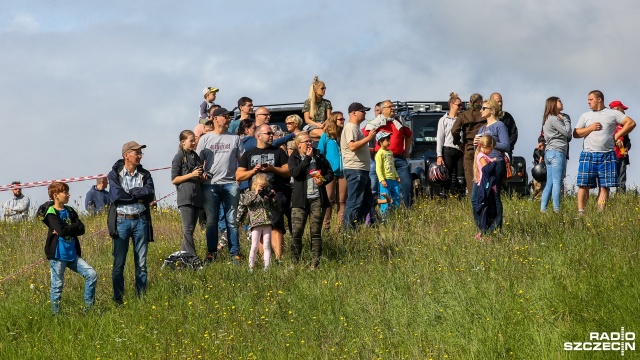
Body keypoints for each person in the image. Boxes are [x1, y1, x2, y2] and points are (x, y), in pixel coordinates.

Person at [107, 141, 155, 304]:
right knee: (119, 263)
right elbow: (117, 196)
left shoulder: (145, 174)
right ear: (126, 155)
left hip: (141, 220)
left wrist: (133, 193)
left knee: (141, 263)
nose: (140, 156)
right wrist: (138, 195)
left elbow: (150, 194)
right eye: (137, 153)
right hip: (122, 221)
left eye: (141, 153)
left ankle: (141, 298)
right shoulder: (114, 174)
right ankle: (118, 299)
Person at [573, 90, 636, 212]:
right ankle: (581, 212)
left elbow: (631, 123)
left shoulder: (612, 114)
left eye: (591, 99)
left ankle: (600, 212)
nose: (588, 102)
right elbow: (576, 133)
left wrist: (617, 135)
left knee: (605, 186)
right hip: (588, 153)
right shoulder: (585, 115)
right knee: (583, 184)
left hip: (607, 154)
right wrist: (590, 128)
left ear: (599, 99)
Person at [196, 107, 245, 264]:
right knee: (211, 221)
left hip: (230, 184)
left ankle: (235, 253)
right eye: (225, 116)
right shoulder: (205, 139)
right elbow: (198, 161)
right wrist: (201, 174)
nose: (228, 118)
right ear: (215, 119)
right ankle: (211, 253)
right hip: (210, 185)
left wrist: (238, 180)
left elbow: (242, 161)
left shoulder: (235, 138)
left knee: (232, 220)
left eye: (229, 116)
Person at [236, 124, 290, 263]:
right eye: (268, 133)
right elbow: (239, 176)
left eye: (272, 133)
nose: (272, 135)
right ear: (259, 136)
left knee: (277, 225)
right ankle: (264, 260)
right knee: (258, 226)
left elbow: (288, 171)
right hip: (256, 198)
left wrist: (273, 169)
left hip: (276, 194)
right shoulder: (248, 154)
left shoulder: (279, 151)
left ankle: (278, 259)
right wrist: (253, 171)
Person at [43, 182, 97, 314]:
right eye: (65, 192)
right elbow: (60, 231)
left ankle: (88, 310)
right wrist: (69, 229)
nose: (68, 195)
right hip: (57, 255)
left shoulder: (71, 211)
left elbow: (81, 228)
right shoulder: (51, 212)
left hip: (72, 254)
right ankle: (56, 316)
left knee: (92, 274)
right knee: (57, 287)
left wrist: (65, 229)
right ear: (56, 195)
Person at [288, 132, 334, 269]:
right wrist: (307, 158)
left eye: (310, 141)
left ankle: (315, 264)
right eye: (306, 142)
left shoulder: (319, 155)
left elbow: (330, 173)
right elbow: (295, 174)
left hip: (317, 199)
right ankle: (294, 263)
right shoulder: (294, 157)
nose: (309, 144)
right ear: (298, 144)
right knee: (296, 232)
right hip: (299, 201)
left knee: (315, 232)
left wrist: (323, 180)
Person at [363, 100, 413, 208]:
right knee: (380, 186)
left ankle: (406, 208)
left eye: (393, 106)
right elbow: (363, 135)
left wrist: (407, 149)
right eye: (390, 106)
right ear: (382, 110)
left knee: (407, 184)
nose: (393, 108)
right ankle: (379, 211)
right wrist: (368, 149)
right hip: (382, 158)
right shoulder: (375, 122)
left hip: (399, 158)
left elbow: (409, 134)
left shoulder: (399, 121)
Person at [474, 99, 510, 231]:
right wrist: (476, 144)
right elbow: (478, 149)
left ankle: (494, 229)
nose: (481, 110)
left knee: (494, 197)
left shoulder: (499, 125)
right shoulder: (482, 128)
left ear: (492, 111)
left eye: (484, 108)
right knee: (476, 198)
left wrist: (490, 142)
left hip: (495, 163)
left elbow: (506, 145)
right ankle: (482, 228)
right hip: (482, 166)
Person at [341, 102, 377, 229]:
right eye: (362, 111)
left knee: (367, 202)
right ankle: (348, 231)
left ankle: (354, 226)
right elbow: (352, 146)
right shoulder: (351, 127)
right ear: (354, 113)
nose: (365, 113)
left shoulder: (355, 128)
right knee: (354, 202)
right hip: (355, 170)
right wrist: (368, 138)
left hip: (362, 170)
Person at [171, 130, 205, 257]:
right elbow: (174, 179)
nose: (194, 143)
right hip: (185, 197)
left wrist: (201, 176)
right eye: (191, 140)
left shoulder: (195, 156)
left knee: (190, 231)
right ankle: (193, 258)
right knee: (187, 230)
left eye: (194, 140)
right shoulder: (179, 157)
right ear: (183, 142)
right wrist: (191, 174)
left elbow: (197, 175)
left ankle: (182, 259)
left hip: (197, 196)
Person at [237, 173, 278, 272]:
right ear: (255, 185)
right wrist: (256, 193)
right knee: (254, 245)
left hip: (267, 222)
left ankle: (267, 267)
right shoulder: (250, 194)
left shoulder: (266, 196)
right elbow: (247, 202)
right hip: (256, 223)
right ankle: (251, 267)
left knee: (267, 245)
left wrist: (273, 197)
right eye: (261, 186)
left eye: (264, 186)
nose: (262, 188)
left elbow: (274, 207)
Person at [540, 97, 572, 213]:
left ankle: (543, 209)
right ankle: (556, 209)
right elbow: (567, 133)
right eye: (559, 101)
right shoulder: (554, 119)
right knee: (557, 182)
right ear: (553, 104)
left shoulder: (547, 119)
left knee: (550, 182)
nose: (562, 103)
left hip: (549, 152)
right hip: (557, 151)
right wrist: (566, 120)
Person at [317, 111, 347, 229]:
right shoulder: (326, 136)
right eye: (340, 119)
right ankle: (326, 226)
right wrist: (319, 173)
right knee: (329, 200)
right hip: (329, 172)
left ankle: (340, 228)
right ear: (334, 120)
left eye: (343, 119)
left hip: (343, 172)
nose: (343, 121)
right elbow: (319, 154)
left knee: (342, 200)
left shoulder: (344, 135)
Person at [451, 93, 486, 195]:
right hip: (484, 149)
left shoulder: (464, 115)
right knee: (484, 176)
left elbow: (454, 131)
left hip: (469, 148)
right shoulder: (485, 115)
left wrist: (458, 143)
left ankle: (474, 202)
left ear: (470, 103)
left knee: (471, 179)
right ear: (481, 102)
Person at [436, 92, 465, 197]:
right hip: (448, 149)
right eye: (459, 105)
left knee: (460, 178)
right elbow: (440, 138)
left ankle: (461, 199)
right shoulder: (443, 120)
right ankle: (444, 197)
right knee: (446, 176)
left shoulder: (462, 119)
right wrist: (439, 155)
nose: (461, 107)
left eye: (462, 105)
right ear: (451, 105)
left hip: (460, 150)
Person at [472, 135, 498, 240]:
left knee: (491, 211)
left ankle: (485, 231)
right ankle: (482, 232)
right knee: (486, 210)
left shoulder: (484, 156)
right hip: (485, 186)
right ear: (485, 146)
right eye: (491, 148)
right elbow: (486, 170)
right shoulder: (481, 156)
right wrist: (494, 162)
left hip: (489, 186)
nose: (491, 151)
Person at [375, 131, 401, 214]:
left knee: (396, 196)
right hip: (385, 180)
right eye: (387, 140)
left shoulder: (390, 152)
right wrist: (382, 179)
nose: (389, 142)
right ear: (381, 142)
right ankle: (384, 216)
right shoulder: (379, 154)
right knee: (385, 199)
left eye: (389, 140)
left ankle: (395, 213)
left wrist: (396, 176)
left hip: (393, 179)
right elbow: (378, 168)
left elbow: (392, 166)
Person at [610, 100, 632, 193]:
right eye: (623, 109)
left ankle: (621, 198)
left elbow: (628, 141)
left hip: (622, 155)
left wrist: (626, 147)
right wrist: (615, 141)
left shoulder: (624, 125)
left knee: (621, 178)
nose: (624, 111)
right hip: (610, 154)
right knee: (609, 178)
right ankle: (606, 198)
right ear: (617, 109)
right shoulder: (609, 123)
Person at [302, 76, 332, 140]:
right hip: (312, 127)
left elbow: (329, 118)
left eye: (325, 88)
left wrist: (323, 125)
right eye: (322, 88)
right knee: (323, 134)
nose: (324, 90)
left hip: (324, 125)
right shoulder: (308, 102)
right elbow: (307, 120)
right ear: (315, 90)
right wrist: (317, 125)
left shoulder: (327, 102)